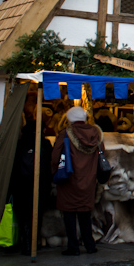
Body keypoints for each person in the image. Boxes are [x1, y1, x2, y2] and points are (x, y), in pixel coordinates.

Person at [51, 107, 104, 255]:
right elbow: (102, 155)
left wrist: (54, 172)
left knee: (69, 214)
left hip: (69, 179)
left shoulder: (65, 134)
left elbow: (55, 156)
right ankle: (89, 244)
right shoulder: (96, 134)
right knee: (85, 214)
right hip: (89, 180)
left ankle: (73, 246)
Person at [10, 120, 53, 255]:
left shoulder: (20, 144)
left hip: (21, 185)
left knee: (23, 215)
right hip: (40, 185)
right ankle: (34, 242)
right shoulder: (45, 144)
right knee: (36, 214)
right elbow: (50, 164)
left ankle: (26, 243)